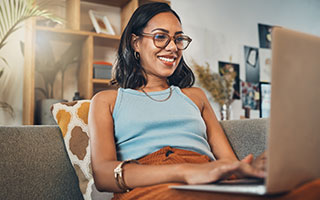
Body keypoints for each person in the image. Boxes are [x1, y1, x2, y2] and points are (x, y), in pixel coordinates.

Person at [88, 2, 266, 200]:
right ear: (135, 43)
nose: (173, 48)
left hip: (207, 181)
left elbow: (229, 164)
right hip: (148, 186)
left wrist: (253, 169)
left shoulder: (195, 96)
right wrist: (184, 171)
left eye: (178, 39)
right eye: (160, 37)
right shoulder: (107, 101)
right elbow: (103, 176)